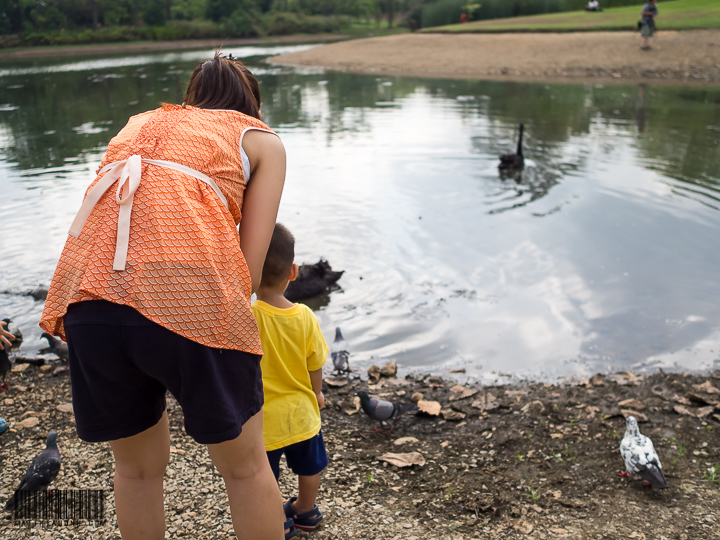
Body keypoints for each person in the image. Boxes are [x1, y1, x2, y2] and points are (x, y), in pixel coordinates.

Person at [39, 52, 286, 540]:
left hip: (89, 299)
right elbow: (251, 271)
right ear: (250, 103)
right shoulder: (259, 139)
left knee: (136, 471)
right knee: (246, 469)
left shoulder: (139, 123)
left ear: (191, 97)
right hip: (189, 297)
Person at [251, 223, 329, 540]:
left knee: (264, 476)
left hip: (264, 417)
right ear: (293, 272)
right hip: (302, 413)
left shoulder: (248, 314)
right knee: (309, 466)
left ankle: (277, 522)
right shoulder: (306, 316)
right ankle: (305, 510)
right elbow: (316, 363)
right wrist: (318, 393)